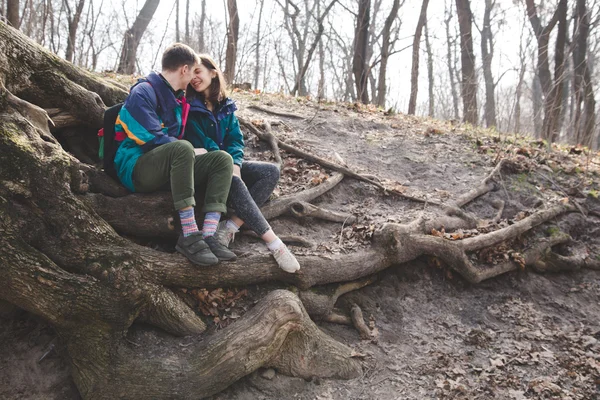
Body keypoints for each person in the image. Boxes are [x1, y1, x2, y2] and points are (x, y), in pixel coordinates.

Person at [113, 43, 236, 266]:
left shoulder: (177, 98)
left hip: (167, 165)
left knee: (222, 159)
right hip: (135, 166)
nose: (193, 79)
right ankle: (189, 234)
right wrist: (189, 149)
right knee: (183, 148)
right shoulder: (142, 92)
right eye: (193, 72)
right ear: (184, 69)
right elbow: (153, 139)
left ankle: (208, 234)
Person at [184, 54, 300, 273]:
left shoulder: (226, 106)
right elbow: (202, 143)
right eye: (191, 74)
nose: (194, 78)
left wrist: (235, 164)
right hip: (206, 169)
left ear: (213, 72)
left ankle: (230, 226)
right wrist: (228, 165)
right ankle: (275, 244)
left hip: (227, 164)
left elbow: (236, 141)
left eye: (198, 71)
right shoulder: (190, 107)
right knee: (234, 182)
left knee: (271, 172)